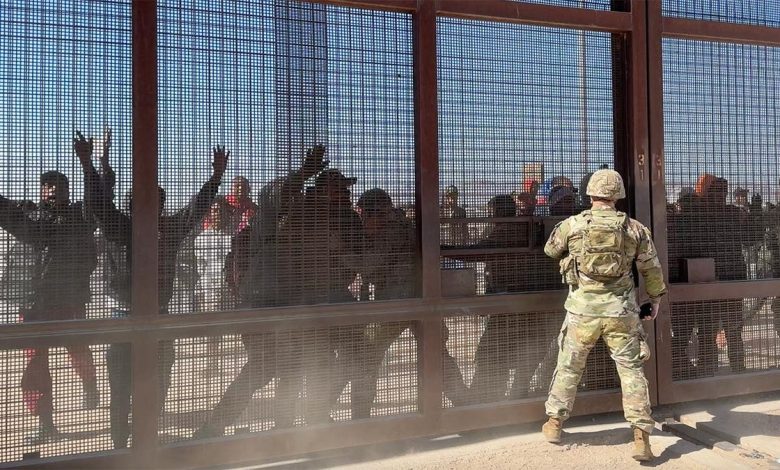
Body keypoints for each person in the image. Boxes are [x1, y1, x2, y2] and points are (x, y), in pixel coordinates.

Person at [75, 131, 227, 449]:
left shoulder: (168, 230)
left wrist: (215, 177)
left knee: (159, 381)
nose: (151, 207)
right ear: (131, 205)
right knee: (121, 385)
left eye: (157, 201)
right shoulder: (120, 227)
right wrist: (89, 164)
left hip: (159, 318)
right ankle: (120, 444)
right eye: (143, 201)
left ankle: (147, 438)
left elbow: (195, 209)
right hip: (123, 317)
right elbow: (100, 206)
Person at [194, 146, 337, 437]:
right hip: (262, 305)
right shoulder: (268, 215)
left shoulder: (300, 225)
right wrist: (304, 173)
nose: (297, 200)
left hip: (284, 306)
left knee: (289, 367)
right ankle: (215, 427)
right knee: (265, 367)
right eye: (293, 195)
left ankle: (280, 430)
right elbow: (279, 191)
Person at [541, 169, 666, 462]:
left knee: (569, 366)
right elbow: (651, 268)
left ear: (591, 193)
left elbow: (550, 251)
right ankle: (641, 437)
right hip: (621, 312)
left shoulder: (571, 225)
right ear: (618, 195)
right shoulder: (634, 229)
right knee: (632, 372)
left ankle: (554, 424)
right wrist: (656, 299)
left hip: (582, 311)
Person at [0, 137, 100, 444]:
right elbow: (13, 219)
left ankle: (90, 385)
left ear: (69, 191)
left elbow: (100, 200)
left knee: (78, 352)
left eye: (59, 185)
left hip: (68, 300)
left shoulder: (80, 218)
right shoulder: (29, 216)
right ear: (41, 190)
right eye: (47, 185)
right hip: (33, 303)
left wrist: (88, 163)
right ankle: (45, 422)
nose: (53, 189)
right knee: (34, 365)